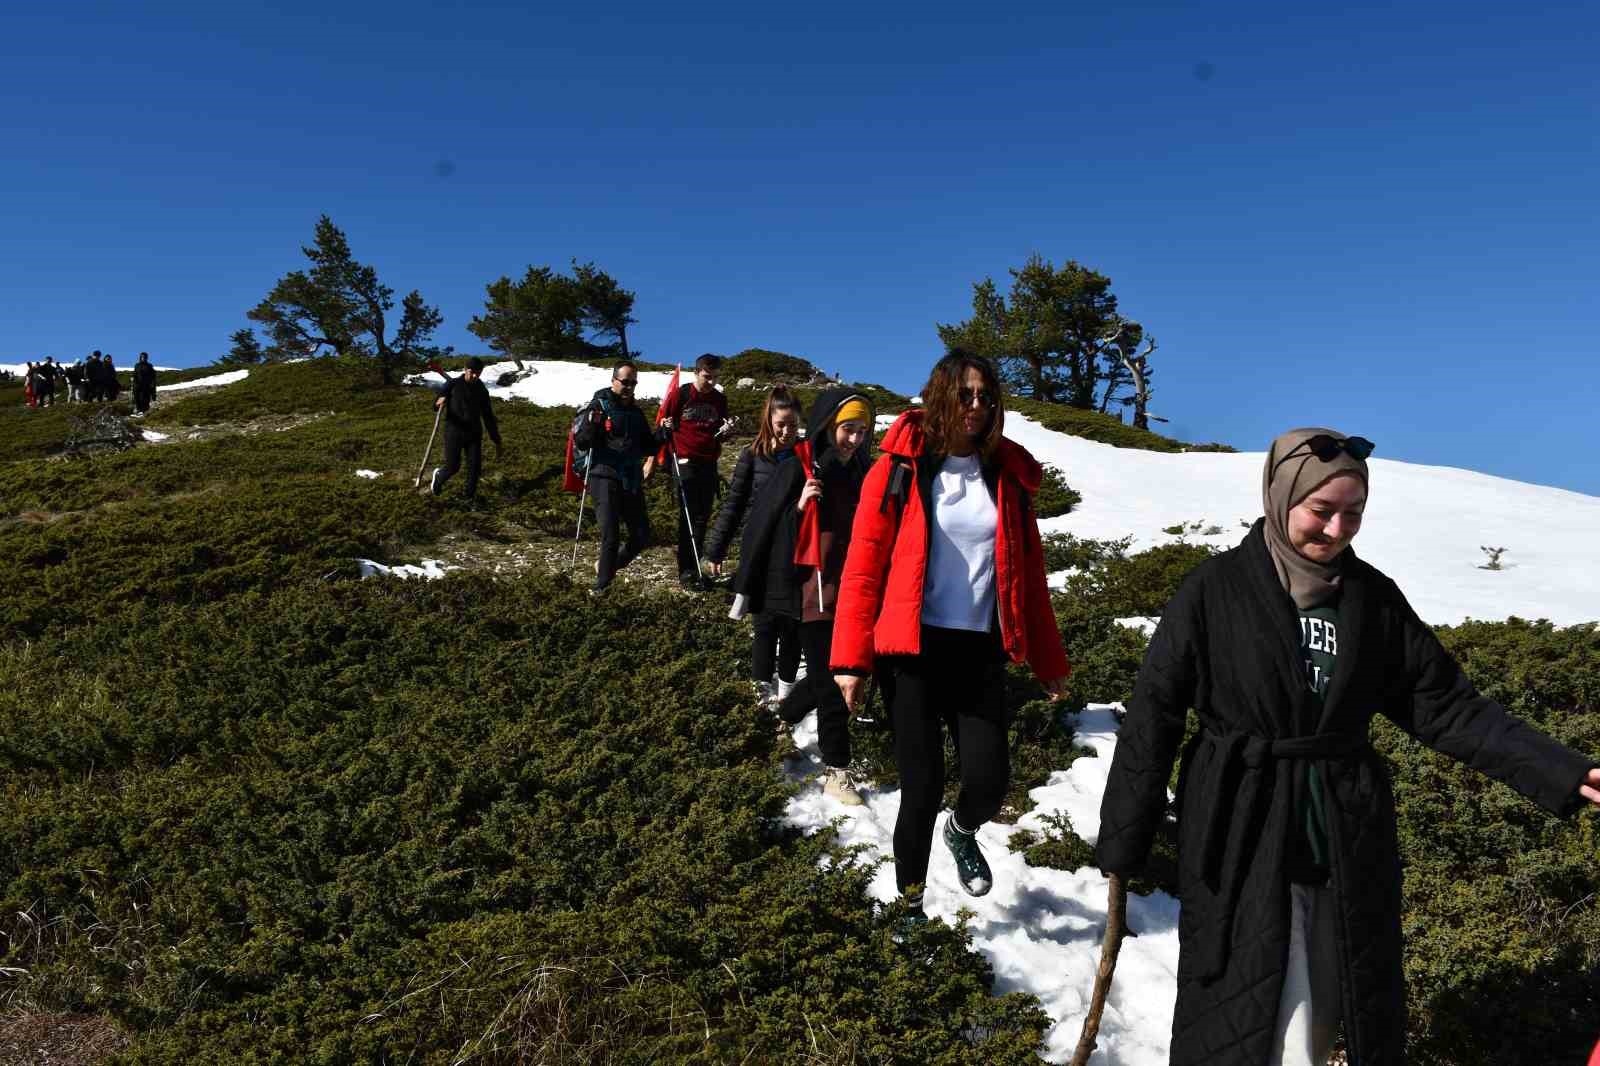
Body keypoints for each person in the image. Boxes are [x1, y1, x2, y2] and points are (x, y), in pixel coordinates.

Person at [1095, 428, 1600, 1066]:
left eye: (1353, 514)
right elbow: (1154, 716)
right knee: (1249, 1015)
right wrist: (1125, 836)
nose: (1337, 530)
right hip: (1240, 835)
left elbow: (1443, 704)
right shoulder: (1213, 590)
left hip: (1341, 840)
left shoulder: (1371, 600)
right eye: (1322, 511)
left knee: (1326, 1008)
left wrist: (1561, 769)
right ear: (1281, 498)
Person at [830, 351, 1070, 922]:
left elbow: (1027, 576)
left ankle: (962, 831)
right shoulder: (899, 468)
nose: (977, 406)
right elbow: (864, 567)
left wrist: (1046, 657)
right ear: (941, 396)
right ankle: (909, 911)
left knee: (989, 783)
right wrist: (850, 661)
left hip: (979, 650)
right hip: (912, 651)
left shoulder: (1005, 477)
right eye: (965, 394)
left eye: (986, 396)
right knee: (921, 788)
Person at [710, 385, 803, 704]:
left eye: (793, 424)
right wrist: (717, 548)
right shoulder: (752, 455)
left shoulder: (806, 455)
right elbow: (734, 504)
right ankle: (760, 696)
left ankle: (788, 695)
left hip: (794, 550)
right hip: (760, 549)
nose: (788, 431)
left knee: (793, 625)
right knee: (764, 623)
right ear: (769, 420)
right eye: (782, 424)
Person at [573, 361, 674, 592]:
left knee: (641, 535)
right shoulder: (597, 406)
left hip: (630, 478)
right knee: (611, 534)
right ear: (613, 381)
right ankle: (602, 588)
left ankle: (608, 568)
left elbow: (647, 446)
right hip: (603, 476)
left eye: (633, 382)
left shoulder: (636, 413)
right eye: (625, 382)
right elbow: (582, 442)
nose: (629, 386)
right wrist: (591, 427)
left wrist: (663, 434)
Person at [660, 353, 731, 589]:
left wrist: (726, 429)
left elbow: (721, 429)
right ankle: (686, 571)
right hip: (684, 459)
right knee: (689, 515)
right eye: (707, 376)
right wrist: (664, 428)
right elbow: (664, 420)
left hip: (708, 461)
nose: (710, 382)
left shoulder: (720, 400)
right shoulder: (681, 394)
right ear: (697, 372)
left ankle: (694, 567)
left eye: (715, 377)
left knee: (702, 516)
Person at [429, 357, 503, 505]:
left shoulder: (481, 390)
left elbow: (488, 416)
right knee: (453, 466)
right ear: (465, 369)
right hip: (454, 431)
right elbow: (435, 404)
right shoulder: (452, 384)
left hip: (474, 433)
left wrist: (496, 438)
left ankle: (469, 498)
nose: (475, 375)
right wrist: (440, 401)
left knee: (475, 468)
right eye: (472, 372)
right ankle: (438, 478)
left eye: (478, 373)